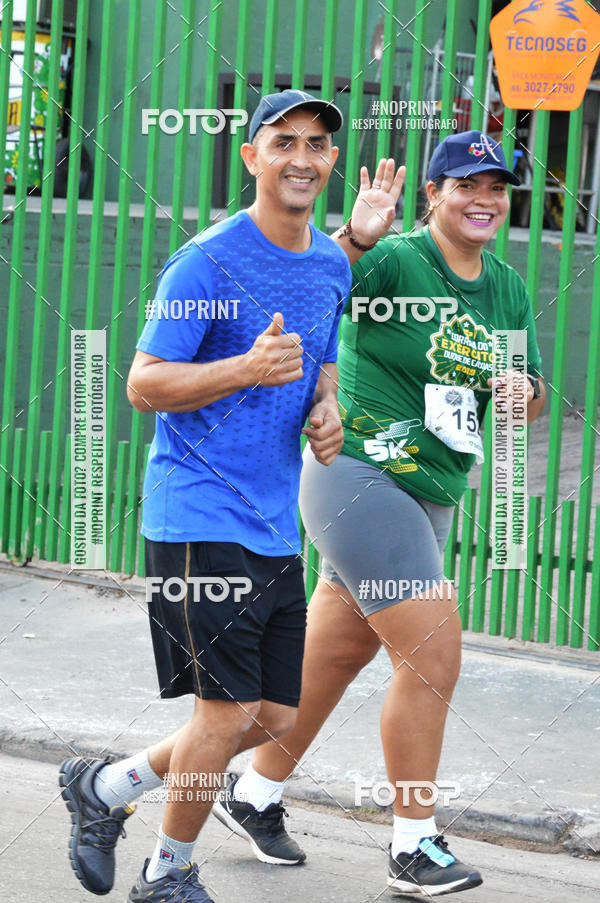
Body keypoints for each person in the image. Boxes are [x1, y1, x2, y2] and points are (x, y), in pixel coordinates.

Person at [214, 130, 546, 897]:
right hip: (360, 475)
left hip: (432, 490)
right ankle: (412, 842)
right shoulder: (397, 259)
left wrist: (520, 395)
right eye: (466, 185)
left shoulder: (506, 286)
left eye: (496, 188)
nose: (484, 200)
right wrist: (356, 235)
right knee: (431, 656)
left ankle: (246, 791)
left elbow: (526, 388)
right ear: (433, 194)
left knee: (329, 661)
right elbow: (311, 286)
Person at [57, 89, 358, 902]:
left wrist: (327, 410)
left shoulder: (331, 264)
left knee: (270, 718)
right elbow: (143, 382)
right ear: (251, 156)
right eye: (283, 140)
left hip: (272, 520)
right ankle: (168, 873)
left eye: (318, 144)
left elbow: (322, 364)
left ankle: (105, 788)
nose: (302, 156)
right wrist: (242, 370)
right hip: (196, 514)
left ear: (332, 161)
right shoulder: (207, 260)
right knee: (225, 716)